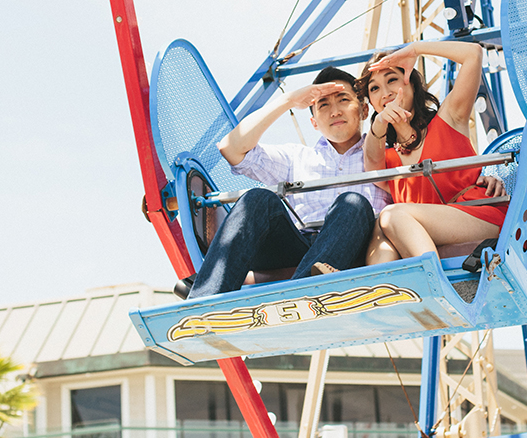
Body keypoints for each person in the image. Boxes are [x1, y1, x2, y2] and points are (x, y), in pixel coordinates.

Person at [180, 66, 386, 300]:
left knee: (353, 204)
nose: (335, 111)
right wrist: (288, 101)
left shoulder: (385, 156)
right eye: (323, 105)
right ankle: (203, 304)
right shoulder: (296, 158)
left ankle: (303, 291)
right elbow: (231, 148)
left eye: (343, 100)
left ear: (364, 110)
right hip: (297, 248)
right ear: (314, 122)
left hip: (356, 246)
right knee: (257, 199)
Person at [357, 40, 507, 265]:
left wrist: (416, 49)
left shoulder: (448, 120)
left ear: (411, 85)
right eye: (375, 88)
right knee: (380, 226)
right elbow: (371, 161)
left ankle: (434, 285)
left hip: (477, 213)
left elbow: (473, 54)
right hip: (424, 232)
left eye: (392, 80)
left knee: (391, 215)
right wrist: (379, 124)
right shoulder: (386, 159)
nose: (386, 92)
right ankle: (381, 293)